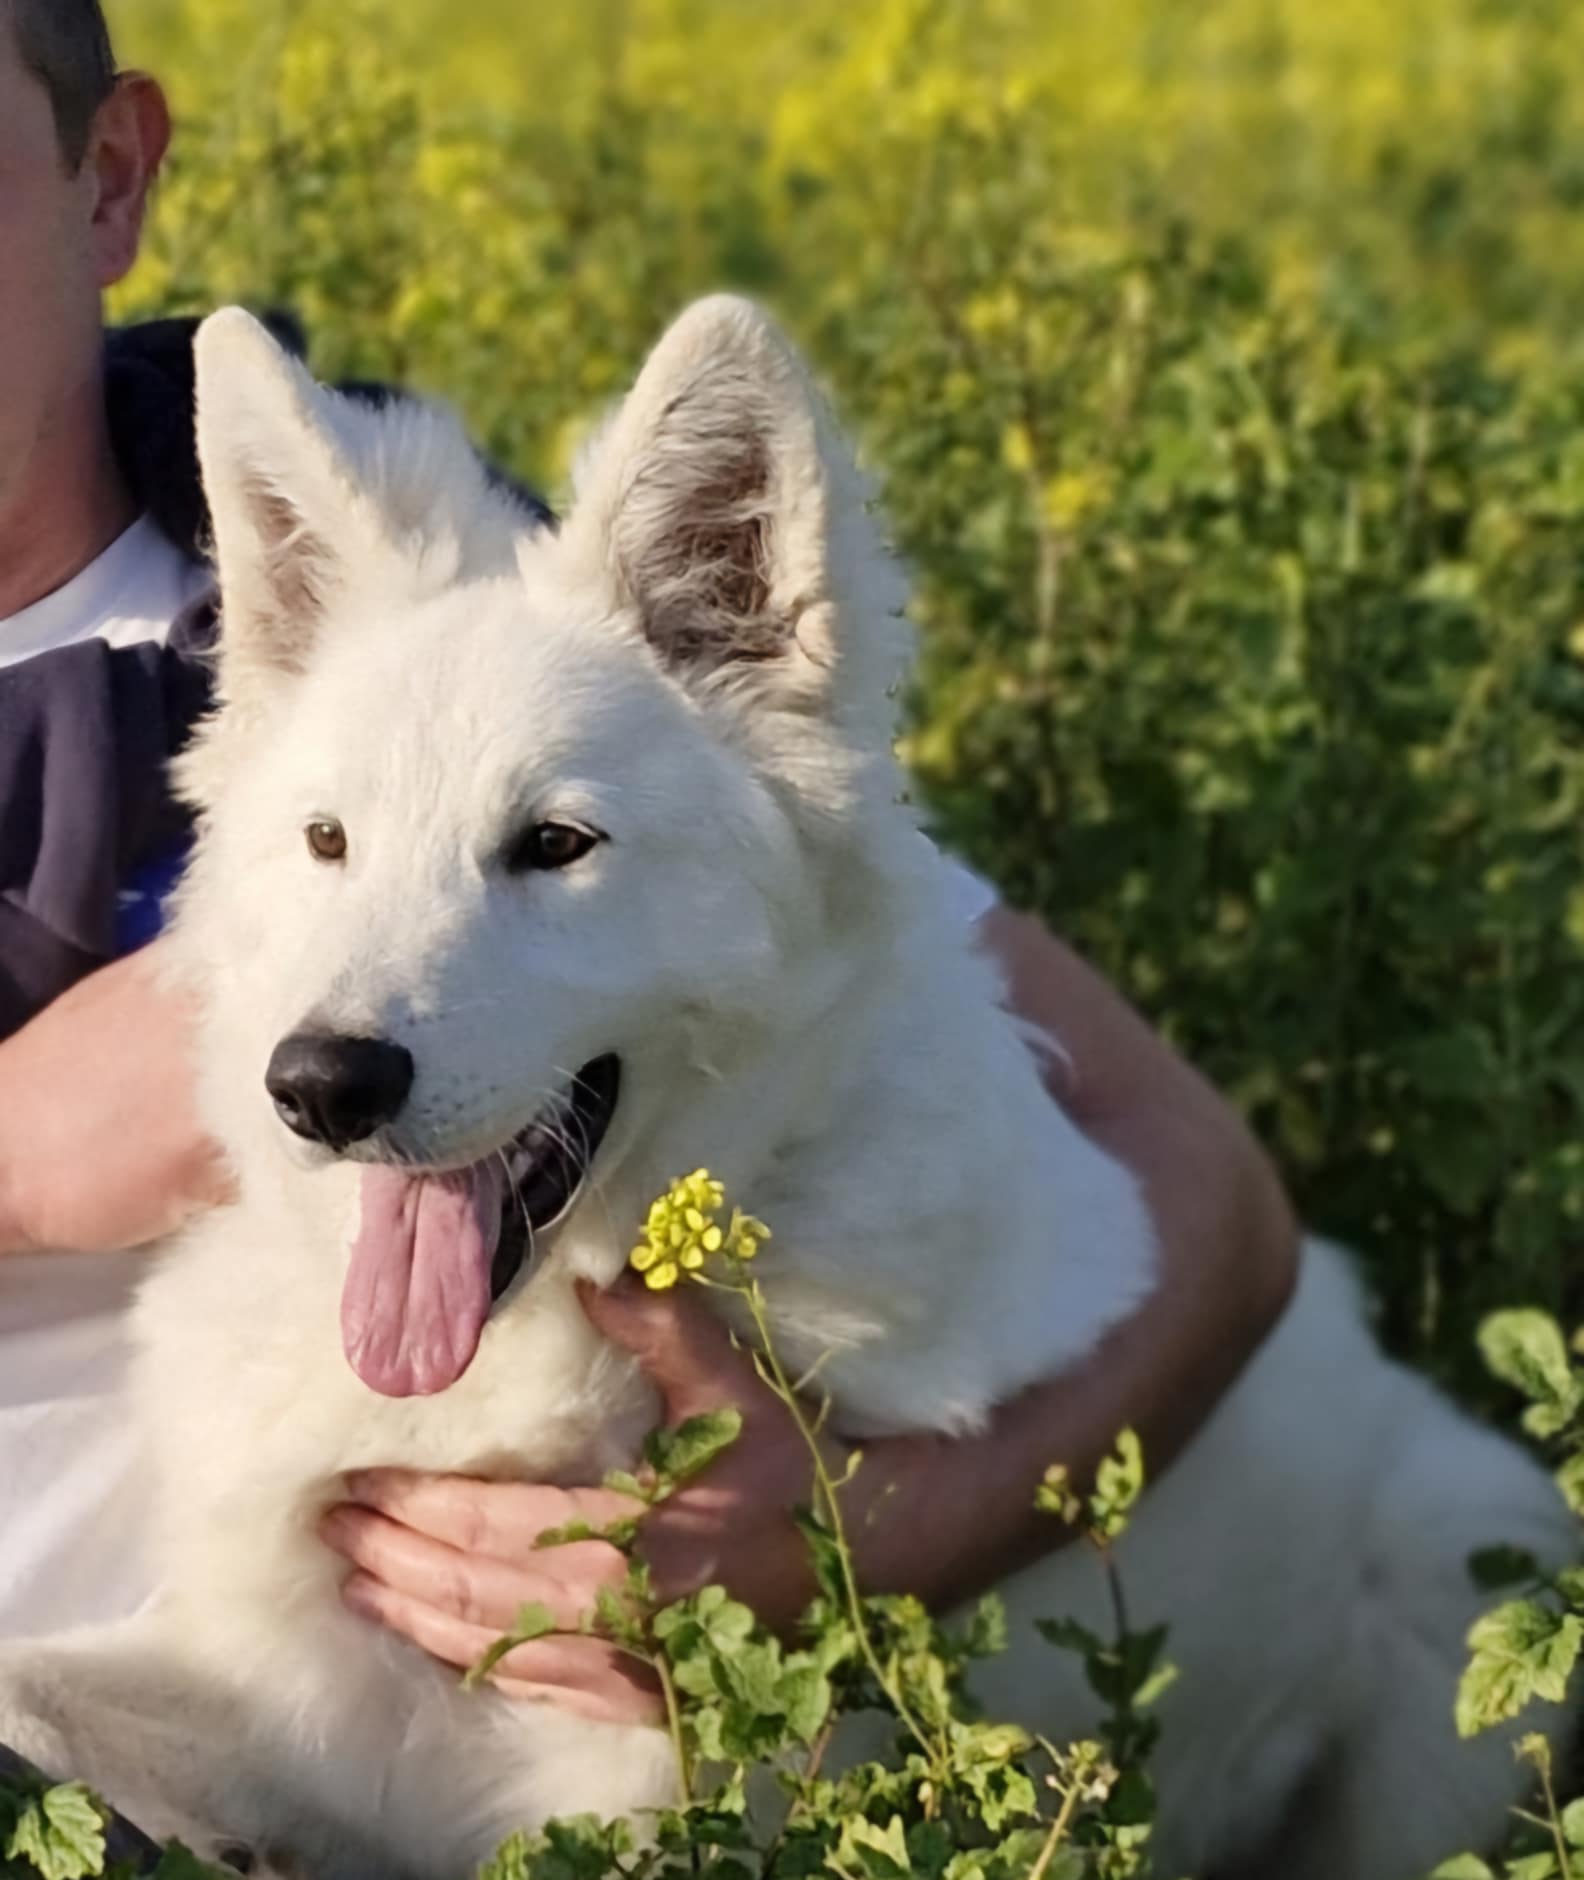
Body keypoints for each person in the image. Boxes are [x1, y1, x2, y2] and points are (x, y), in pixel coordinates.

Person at [0, 0, 1297, 1752]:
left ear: (109, 177)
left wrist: (861, 1548)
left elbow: (1198, 1184)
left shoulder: (448, 616)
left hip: (246, 1772)